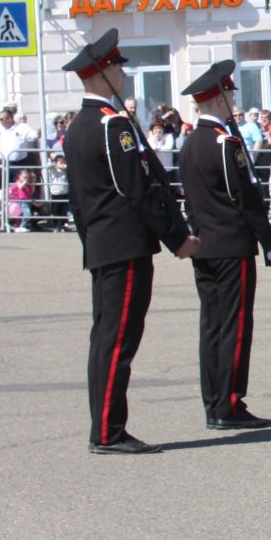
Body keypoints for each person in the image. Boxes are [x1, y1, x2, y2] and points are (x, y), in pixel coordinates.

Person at [62, 29, 198, 454]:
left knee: (107, 337)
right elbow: (135, 189)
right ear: (102, 73)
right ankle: (107, 431)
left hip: (105, 243)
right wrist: (176, 237)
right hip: (124, 245)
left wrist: (92, 238)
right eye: (118, 65)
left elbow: (78, 199)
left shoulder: (79, 126)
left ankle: (107, 428)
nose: (123, 72)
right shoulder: (111, 124)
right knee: (117, 340)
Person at [178, 60, 271, 431]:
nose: (233, 100)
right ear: (221, 98)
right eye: (230, 93)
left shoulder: (191, 143)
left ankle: (215, 402)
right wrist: (270, 243)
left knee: (212, 327)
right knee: (234, 326)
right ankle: (229, 403)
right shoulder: (225, 144)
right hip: (231, 247)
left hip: (205, 245)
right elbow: (246, 198)